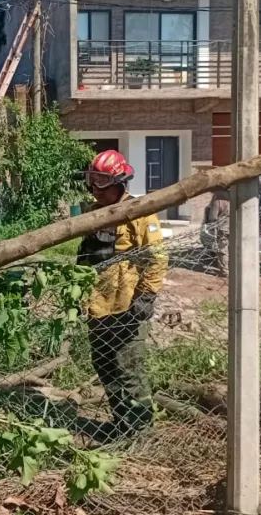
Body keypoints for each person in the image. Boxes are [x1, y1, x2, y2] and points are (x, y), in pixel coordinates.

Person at [76, 149, 168, 438]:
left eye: (102, 181)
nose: (96, 188)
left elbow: (156, 257)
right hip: (97, 306)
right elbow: (84, 257)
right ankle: (122, 425)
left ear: (119, 182)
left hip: (127, 306)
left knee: (129, 371)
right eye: (92, 180)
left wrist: (146, 296)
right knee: (104, 366)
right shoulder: (91, 214)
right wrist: (78, 294)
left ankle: (141, 432)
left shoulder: (140, 212)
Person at [206, 189, 230, 275]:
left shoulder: (218, 201)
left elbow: (212, 218)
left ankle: (225, 271)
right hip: (235, 228)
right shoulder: (234, 200)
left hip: (223, 229)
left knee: (223, 250)